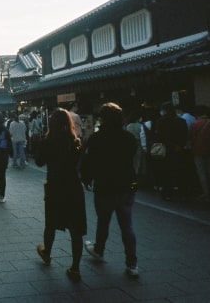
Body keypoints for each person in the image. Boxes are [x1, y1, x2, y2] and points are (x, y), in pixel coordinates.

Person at [81, 102, 139, 278]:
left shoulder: (96, 138)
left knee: (103, 221)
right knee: (127, 226)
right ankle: (132, 264)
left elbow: (88, 161)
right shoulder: (129, 138)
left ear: (103, 119)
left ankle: (99, 250)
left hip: (104, 186)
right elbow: (133, 162)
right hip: (126, 186)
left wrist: (86, 179)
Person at [35, 108, 86, 281]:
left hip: (55, 186)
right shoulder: (76, 142)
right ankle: (75, 268)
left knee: (51, 223)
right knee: (76, 229)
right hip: (73, 187)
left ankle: (47, 253)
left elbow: (39, 162)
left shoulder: (47, 142)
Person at [155, 101, 188, 200]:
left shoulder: (161, 121)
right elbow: (185, 135)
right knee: (179, 170)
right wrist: (179, 145)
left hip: (166, 149)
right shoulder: (181, 121)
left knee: (166, 172)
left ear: (164, 110)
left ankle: (167, 193)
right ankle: (182, 191)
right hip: (178, 149)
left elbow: (159, 136)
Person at [189, 106, 210, 201]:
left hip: (197, 151)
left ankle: (207, 193)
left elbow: (191, 137)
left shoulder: (195, 124)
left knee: (202, 173)